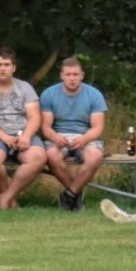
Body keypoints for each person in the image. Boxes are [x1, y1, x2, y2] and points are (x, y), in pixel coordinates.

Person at [0, 48, 45, 210]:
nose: (2, 68)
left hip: (22, 132)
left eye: (7, 65)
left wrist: (26, 136)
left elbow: (34, 116)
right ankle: (11, 202)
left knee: (38, 157)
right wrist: (4, 137)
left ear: (14, 68)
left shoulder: (25, 88)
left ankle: (5, 198)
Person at [40, 57, 107, 211]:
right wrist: (55, 137)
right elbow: (45, 127)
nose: (72, 78)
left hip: (85, 135)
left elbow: (98, 127)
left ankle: (69, 195)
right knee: (51, 155)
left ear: (82, 75)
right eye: (68, 74)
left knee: (95, 156)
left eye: (75, 74)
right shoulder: (48, 94)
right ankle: (75, 194)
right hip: (59, 135)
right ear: (61, 76)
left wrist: (84, 139)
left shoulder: (94, 95)